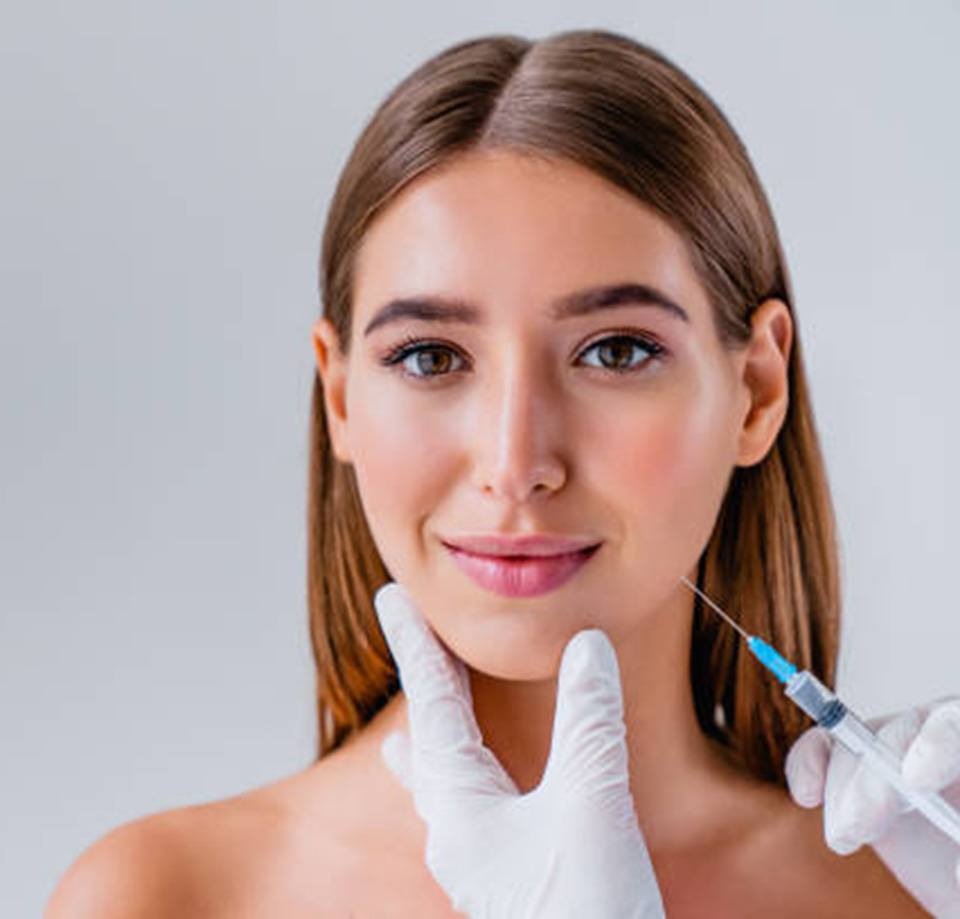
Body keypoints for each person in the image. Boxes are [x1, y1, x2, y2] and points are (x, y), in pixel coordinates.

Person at [46, 28, 957, 918]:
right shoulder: (166, 897)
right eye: (432, 358)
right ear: (340, 400)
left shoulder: (907, 885)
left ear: (757, 390)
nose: (516, 465)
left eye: (616, 351)